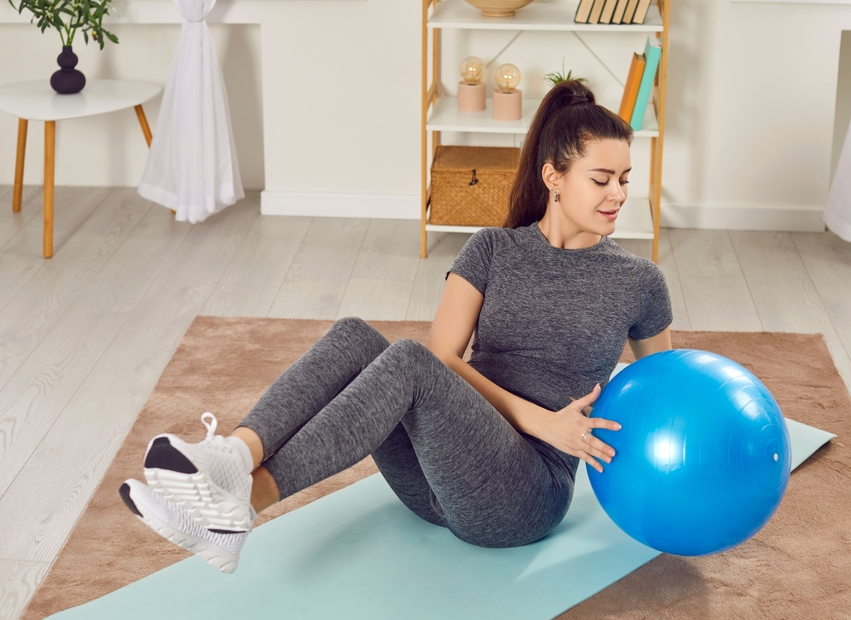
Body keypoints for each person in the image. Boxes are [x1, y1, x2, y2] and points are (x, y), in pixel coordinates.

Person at [119, 79, 673, 574]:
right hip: (433, 481)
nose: (619, 194)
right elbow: (444, 362)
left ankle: (242, 503)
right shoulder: (493, 249)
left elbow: (667, 394)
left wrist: (581, 431)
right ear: (553, 176)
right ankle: (233, 460)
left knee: (407, 360)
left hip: (520, 495)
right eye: (602, 179)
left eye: (625, 179)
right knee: (358, 335)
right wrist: (542, 418)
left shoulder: (638, 281)